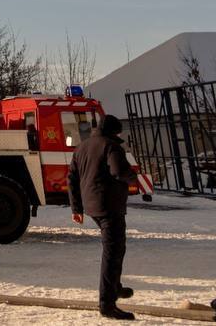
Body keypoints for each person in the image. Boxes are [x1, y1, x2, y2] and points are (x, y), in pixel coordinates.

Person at [69, 113, 139, 321]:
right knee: (112, 253)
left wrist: (76, 208)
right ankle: (107, 304)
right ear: (114, 132)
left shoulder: (82, 147)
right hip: (109, 206)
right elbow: (118, 171)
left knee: (116, 249)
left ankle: (114, 287)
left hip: (92, 206)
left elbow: (72, 178)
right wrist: (133, 177)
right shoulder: (111, 146)